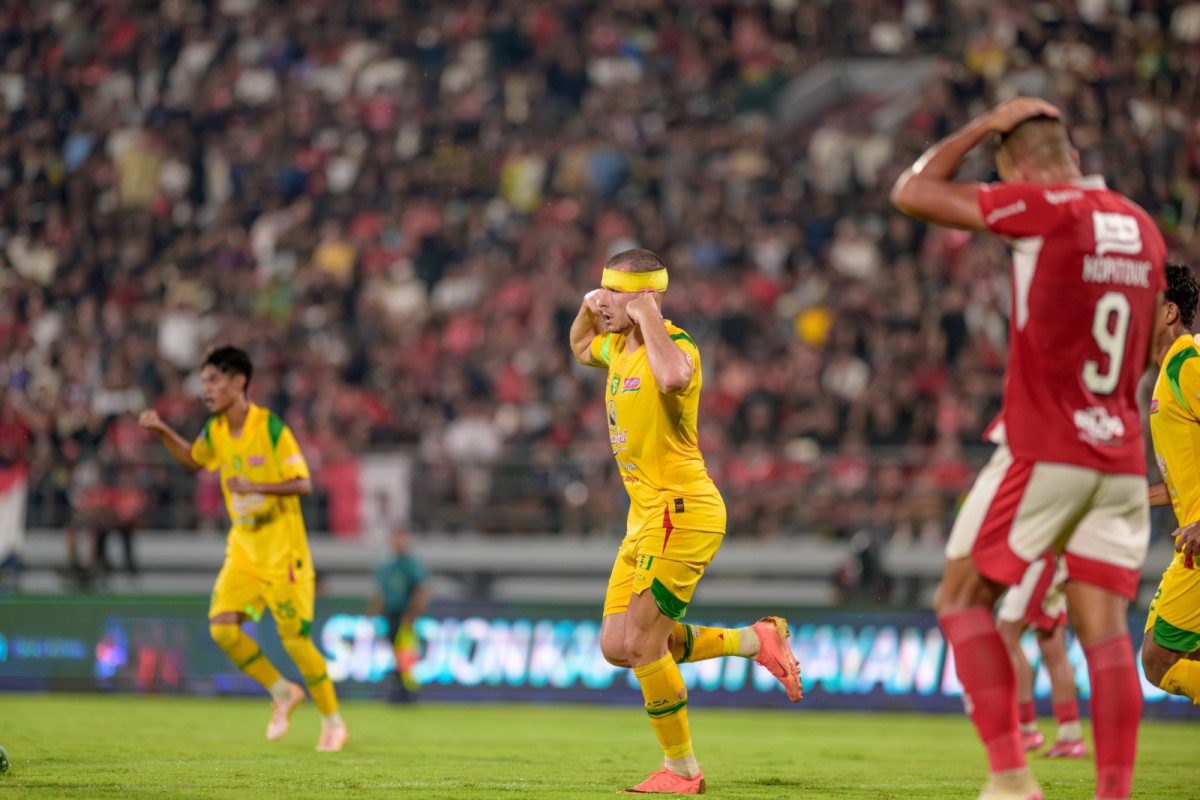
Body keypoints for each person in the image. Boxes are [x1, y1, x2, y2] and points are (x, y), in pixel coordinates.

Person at [892, 97, 1166, 800]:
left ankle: (1012, 781)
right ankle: (1113, 793)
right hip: (1122, 456)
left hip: (1048, 446)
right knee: (1103, 632)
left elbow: (913, 191)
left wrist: (983, 123)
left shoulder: (1046, 208)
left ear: (1017, 167)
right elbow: (1142, 357)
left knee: (961, 601)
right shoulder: (1142, 228)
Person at [569, 248, 803, 795]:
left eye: (616, 292)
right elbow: (581, 345)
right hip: (644, 519)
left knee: (644, 646)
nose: (607, 301)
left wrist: (647, 314)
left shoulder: (674, 345)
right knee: (616, 645)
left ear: (647, 295)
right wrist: (589, 307)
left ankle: (681, 770)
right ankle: (755, 640)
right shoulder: (616, 347)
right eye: (602, 288)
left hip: (682, 510)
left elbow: (673, 379)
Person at [139, 345, 349, 752]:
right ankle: (282, 692)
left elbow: (303, 482)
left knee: (294, 641)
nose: (207, 390)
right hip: (243, 546)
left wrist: (257, 486)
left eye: (214, 380)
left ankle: (333, 722)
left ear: (239, 382)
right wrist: (162, 430)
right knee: (222, 628)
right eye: (204, 382)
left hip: (283, 549)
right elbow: (194, 460)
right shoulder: (215, 430)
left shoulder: (271, 429)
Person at [1141, 262, 1200, 703]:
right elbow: (1184, 478)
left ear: (1168, 313)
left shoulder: (1187, 364)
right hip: (1191, 541)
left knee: (1158, 658)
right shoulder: (1165, 375)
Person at [994, 552, 1085, 758]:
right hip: (1056, 560)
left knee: (1006, 635)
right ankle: (1070, 736)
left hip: (1040, 560)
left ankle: (1026, 729)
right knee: (1052, 645)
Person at [370, 526, 430, 702]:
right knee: (396, 651)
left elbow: (421, 590)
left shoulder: (410, 564)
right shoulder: (386, 565)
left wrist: (412, 614)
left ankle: (406, 691)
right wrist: (375, 613)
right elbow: (380, 592)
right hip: (390, 613)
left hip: (405, 614)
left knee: (405, 652)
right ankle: (399, 689)